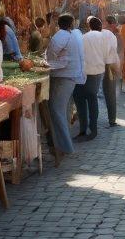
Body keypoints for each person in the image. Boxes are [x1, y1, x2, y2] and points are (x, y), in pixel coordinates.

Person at [44, 13, 82, 154]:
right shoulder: (73, 35)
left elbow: (52, 52)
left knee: (56, 110)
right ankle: (62, 144)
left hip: (63, 76)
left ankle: (64, 146)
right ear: (71, 24)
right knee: (62, 110)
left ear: (59, 24)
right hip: (69, 75)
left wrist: (47, 61)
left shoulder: (61, 35)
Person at [75, 17, 106, 139]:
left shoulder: (84, 37)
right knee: (92, 99)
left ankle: (83, 129)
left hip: (85, 73)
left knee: (80, 100)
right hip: (98, 73)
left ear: (89, 26)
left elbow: (79, 54)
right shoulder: (104, 37)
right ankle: (93, 129)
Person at [99, 17, 122, 126]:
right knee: (110, 94)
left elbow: (119, 51)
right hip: (111, 65)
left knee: (109, 94)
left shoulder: (108, 34)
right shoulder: (111, 35)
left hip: (108, 66)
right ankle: (112, 119)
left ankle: (111, 119)